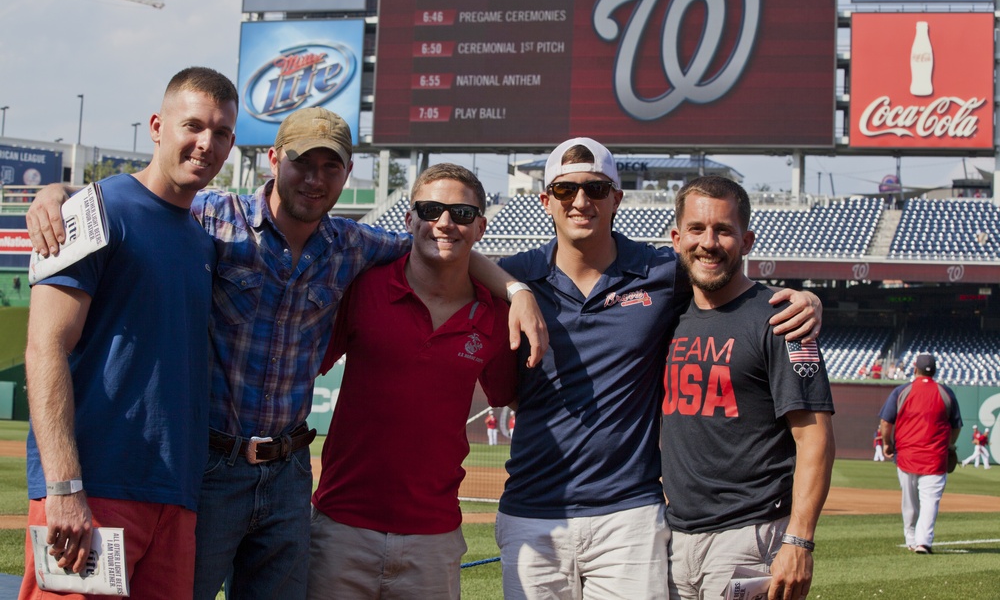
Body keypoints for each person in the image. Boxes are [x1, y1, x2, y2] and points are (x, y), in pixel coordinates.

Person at [25, 109, 548, 599]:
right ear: (274, 160)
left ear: (346, 174)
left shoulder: (353, 244)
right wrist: (61, 193)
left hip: (288, 476)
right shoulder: (213, 216)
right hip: (210, 466)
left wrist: (515, 289)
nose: (315, 179)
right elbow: (146, 199)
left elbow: (442, 245)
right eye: (303, 162)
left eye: (330, 167)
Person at [493, 139, 822, 600]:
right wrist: (516, 290)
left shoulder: (661, 272)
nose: (581, 200)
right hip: (532, 510)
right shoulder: (513, 274)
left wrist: (807, 299)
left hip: (630, 513)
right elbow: (451, 262)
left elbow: (720, 271)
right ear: (546, 200)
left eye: (595, 188)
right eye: (566, 189)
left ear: (616, 198)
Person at [19, 67, 238, 599]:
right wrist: (65, 487)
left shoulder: (202, 241)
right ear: (157, 127)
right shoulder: (93, 210)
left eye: (221, 133)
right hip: (93, 491)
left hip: (174, 498)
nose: (206, 144)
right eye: (193, 126)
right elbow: (45, 347)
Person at [307, 164, 517, 599]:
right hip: (341, 527)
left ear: (480, 227)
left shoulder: (496, 315)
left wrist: (520, 293)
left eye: (461, 213)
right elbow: (301, 366)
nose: (444, 222)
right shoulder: (362, 288)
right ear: (409, 219)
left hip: (434, 539)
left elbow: (515, 397)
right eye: (430, 209)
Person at [660, 175, 835, 600]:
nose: (709, 243)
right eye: (697, 229)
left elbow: (814, 437)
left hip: (750, 537)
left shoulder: (782, 319)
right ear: (677, 239)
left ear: (747, 240)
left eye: (723, 230)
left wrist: (799, 540)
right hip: (672, 536)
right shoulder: (665, 315)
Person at [879, 353, 962, 554]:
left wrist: (887, 443)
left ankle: (910, 538)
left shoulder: (902, 391)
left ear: (915, 369)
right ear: (934, 371)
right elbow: (956, 426)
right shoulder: (946, 392)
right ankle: (924, 542)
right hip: (935, 458)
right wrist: (949, 445)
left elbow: (886, 422)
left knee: (910, 502)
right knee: (930, 501)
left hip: (907, 455)